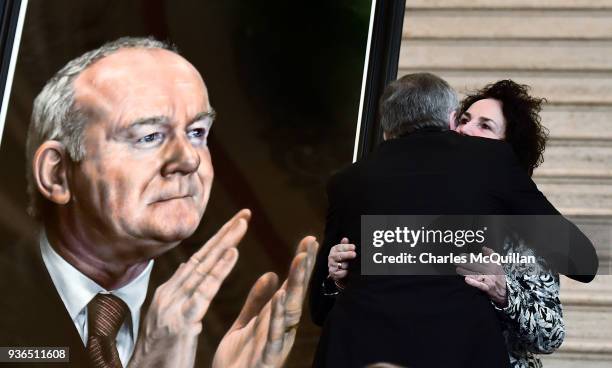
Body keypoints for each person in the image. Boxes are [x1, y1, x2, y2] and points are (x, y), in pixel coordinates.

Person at [0, 37, 318, 368]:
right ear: (58, 173)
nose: (188, 159)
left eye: (197, 132)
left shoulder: (233, 318)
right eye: (149, 136)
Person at [308, 73, 598, 367]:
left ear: (508, 151)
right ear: (450, 120)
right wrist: (338, 276)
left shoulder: (521, 227)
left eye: (485, 126)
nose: (465, 130)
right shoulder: (390, 197)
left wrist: (504, 290)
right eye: (464, 119)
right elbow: (324, 307)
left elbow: (557, 319)